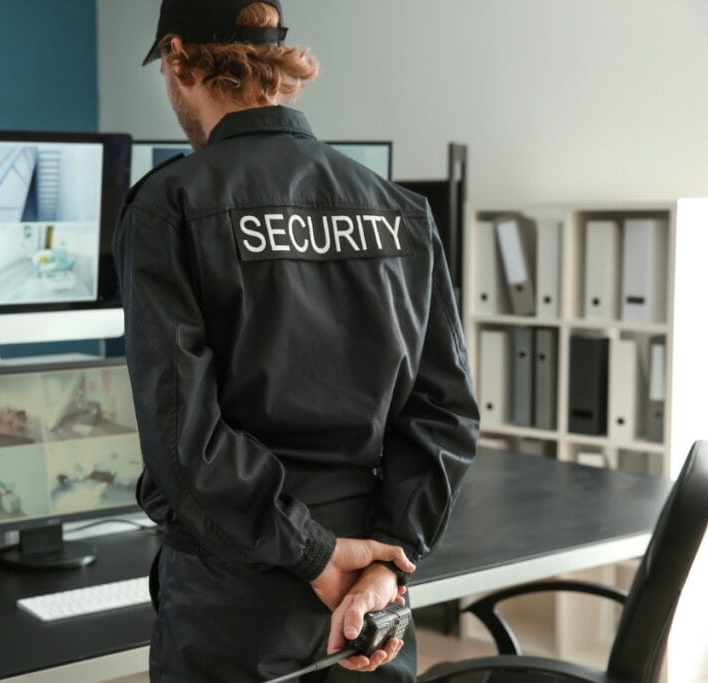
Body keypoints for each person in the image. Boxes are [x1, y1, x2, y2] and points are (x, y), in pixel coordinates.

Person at [113, 1, 480, 680]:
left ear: (177, 58)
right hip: (371, 599)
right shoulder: (399, 210)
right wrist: (382, 559)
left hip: (238, 597)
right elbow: (444, 413)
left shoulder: (170, 205)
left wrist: (314, 555)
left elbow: (183, 437)